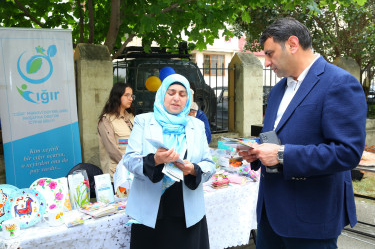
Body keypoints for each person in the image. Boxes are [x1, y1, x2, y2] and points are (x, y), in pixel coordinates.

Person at [238, 17, 366, 249]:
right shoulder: (278, 89)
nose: (266, 63)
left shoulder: (339, 83)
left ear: (293, 44)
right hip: (270, 215)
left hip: (311, 218)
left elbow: (347, 153)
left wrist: (281, 155)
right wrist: (256, 151)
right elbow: (276, 136)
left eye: (270, 53)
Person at [122, 73, 216, 249]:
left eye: (182, 94)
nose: (176, 98)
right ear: (162, 94)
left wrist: (193, 169)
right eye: (171, 92)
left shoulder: (197, 126)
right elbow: (129, 160)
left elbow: (209, 165)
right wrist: (155, 160)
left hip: (186, 213)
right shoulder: (144, 121)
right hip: (151, 213)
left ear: (188, 98)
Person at [98, 82, 135, 180]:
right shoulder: (106, 120)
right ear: (117, 97)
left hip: (134, 171)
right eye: (127, 95)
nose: (131, 98)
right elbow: (112, 150)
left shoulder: (131, 117)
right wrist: (132, 165)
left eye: (131, 96)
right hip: (116, 173)